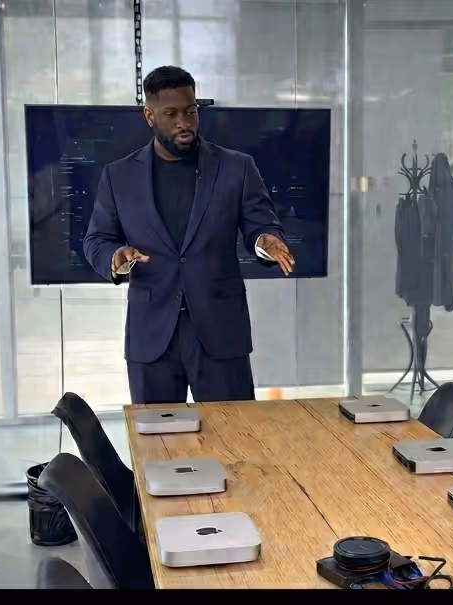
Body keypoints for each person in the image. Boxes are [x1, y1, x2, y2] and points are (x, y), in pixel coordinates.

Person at [82, 66, 295, 404]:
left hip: (221, 333)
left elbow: (261, 223)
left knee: (236, 443)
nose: (184, 122)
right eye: (172, 114)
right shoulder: (118, 176)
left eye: (191, 111)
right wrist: (115, 257)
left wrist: (264, 241)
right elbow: (96, 240)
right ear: (150, 116)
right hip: (152, 337)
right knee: (158, 448)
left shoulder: (237, 167)